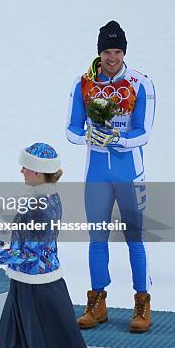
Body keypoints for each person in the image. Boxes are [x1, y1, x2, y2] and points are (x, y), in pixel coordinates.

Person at [66, 20, 155, 333]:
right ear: (99, 52)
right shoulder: (84, 84)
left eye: (117, 51)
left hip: (130, 172)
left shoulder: (141, 83)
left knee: (135, 238)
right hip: (96, 174)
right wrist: (89, 135)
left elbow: (144, 132)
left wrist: (116, 139)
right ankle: (97, 303)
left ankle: (142, 302)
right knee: (97, 238)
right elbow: (71, 129)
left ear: (124, 52)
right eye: (107, 51)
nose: (112, 57)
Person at [0, 143, 86, 348]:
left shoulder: (38, 206)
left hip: (36, 287)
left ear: (37, 171)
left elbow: (29, 255)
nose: (21, 171)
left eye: (25, 167)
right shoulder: (47, 196)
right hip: (28, 281)